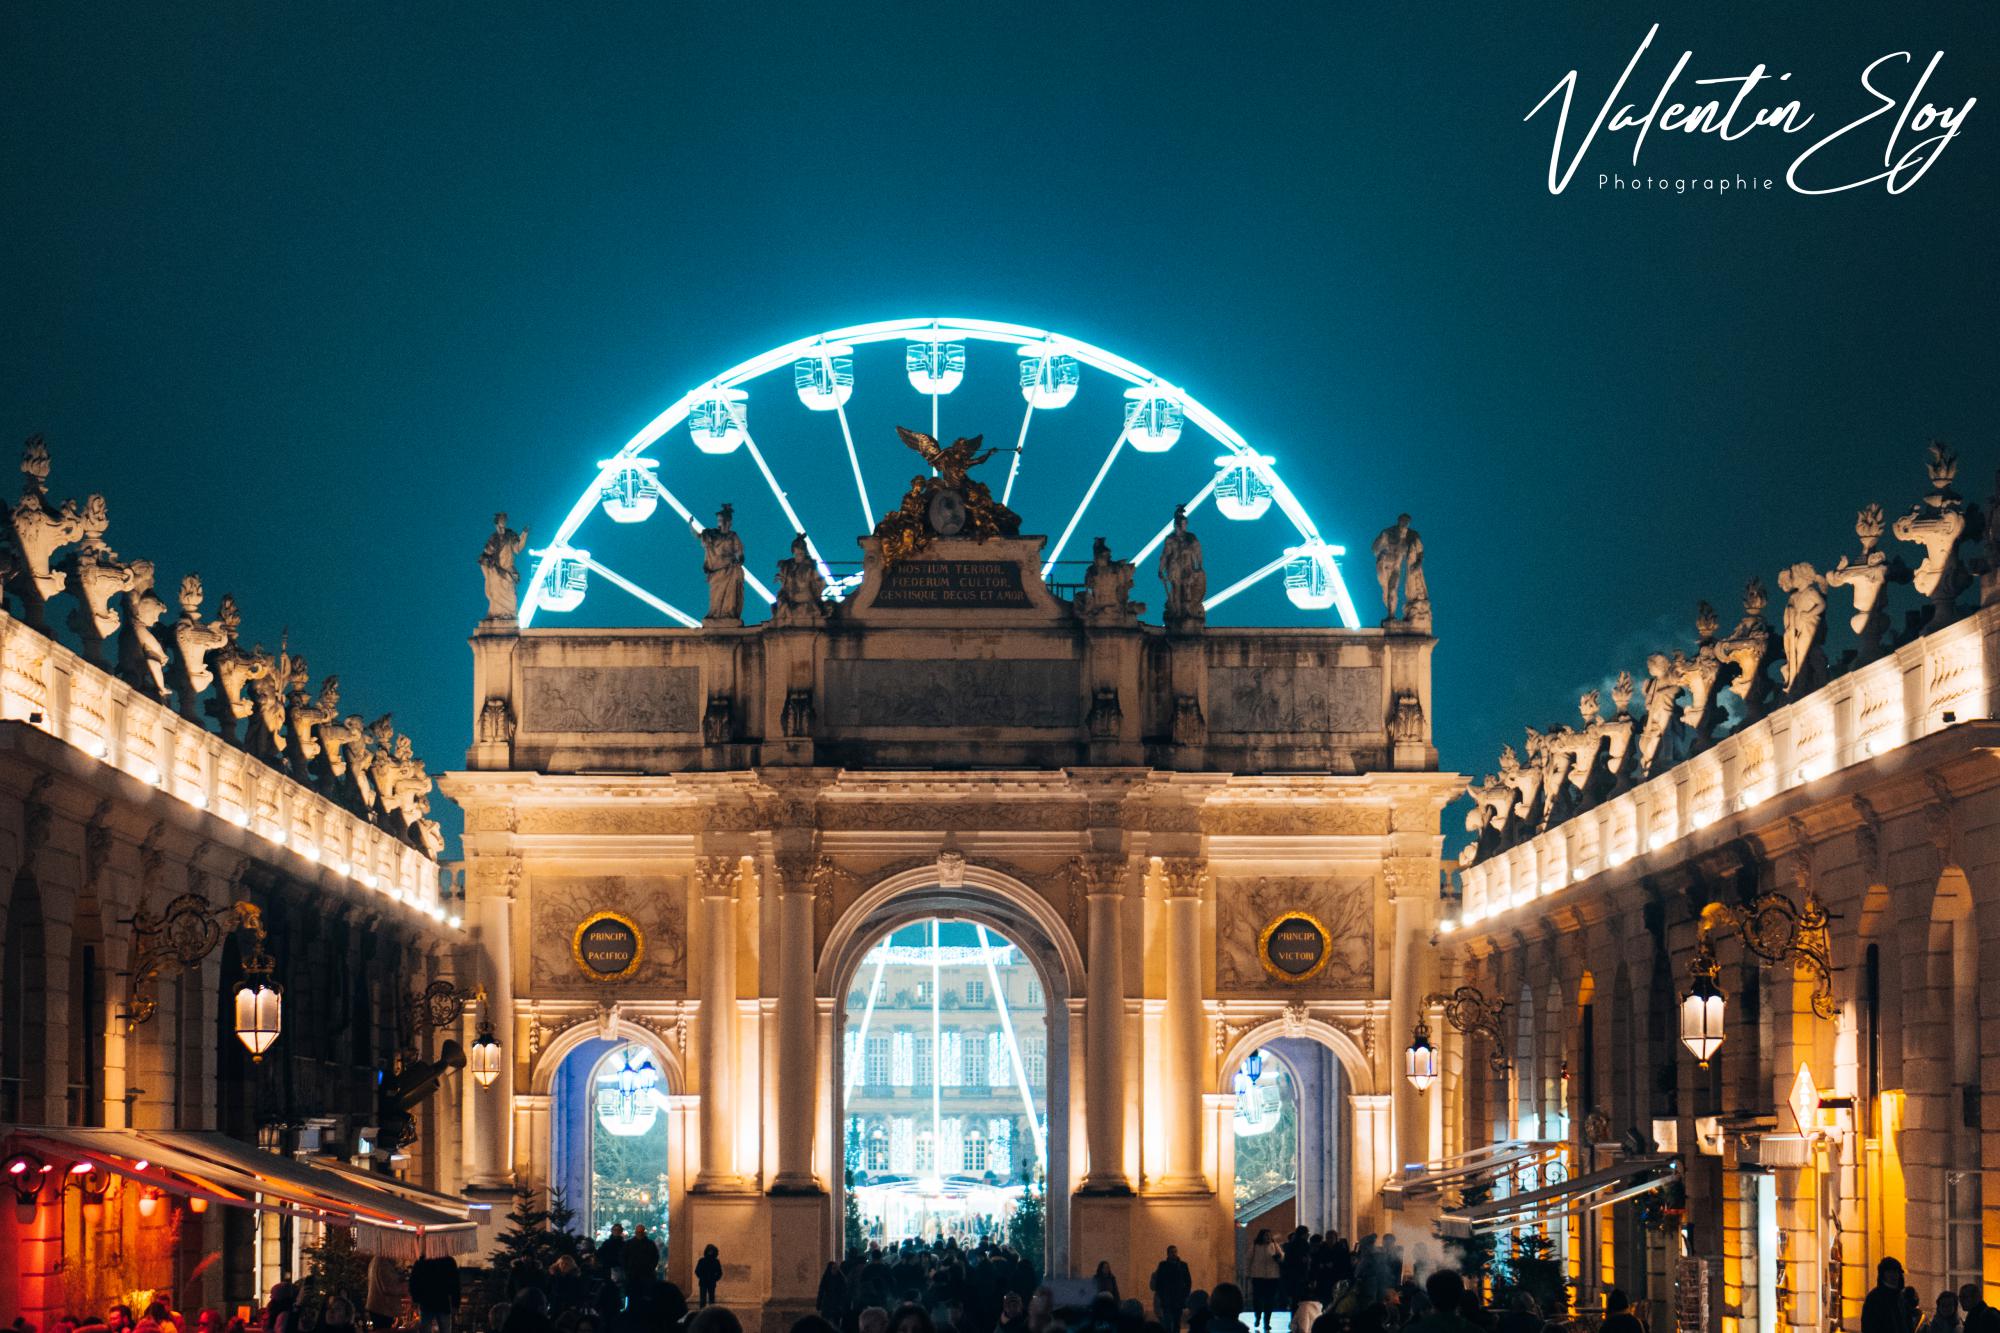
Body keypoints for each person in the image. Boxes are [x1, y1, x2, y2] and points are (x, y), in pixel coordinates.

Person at [410, 1253, 462, 1333]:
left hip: (426, 1302)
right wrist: (456, 1304)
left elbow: (414, 1282)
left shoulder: (422, 1261)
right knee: (445, 1329)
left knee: (425, 1328)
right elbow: (455, 1284)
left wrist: (415, 1299)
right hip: (443, 1302)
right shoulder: (449, 1261)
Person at [1247, 1231, 1282, 1333]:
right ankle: (1258, 1316)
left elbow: (1282, 1256)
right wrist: (1248, 1273)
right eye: (1265, 1235)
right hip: (1258, 1276)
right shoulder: (1255, 1246)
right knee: (1257, 1299)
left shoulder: (1274, 1245)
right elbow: (1248, 1259)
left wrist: (1278, 1256)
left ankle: (1267, 1322)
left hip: (1272, 1277)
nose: (1267, 1237)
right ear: (1261, 1236)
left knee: (1269, 1300)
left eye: (1269, 1236)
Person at [1151, 1247, 1193, 1332]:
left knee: (1176, 1322)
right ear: (1168, 1253)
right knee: (1168, 1322)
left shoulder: (1182, 1265)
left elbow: (1188, 1281)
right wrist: (1162, 1295)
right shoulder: (1163, 1265)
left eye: (1175, 1252)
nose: (1174, 1254)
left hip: (1177, 1298)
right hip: (1167, 1298)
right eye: (1172, 1252)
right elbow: (1159, 1282)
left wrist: (1185, 1295)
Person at [1866, 1263, 1912, 1333]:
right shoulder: (1875, 1298)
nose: (1895, 1276)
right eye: (1891, 1272)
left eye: (1896, 1272)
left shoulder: (1902, 1296)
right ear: (1883, 1275)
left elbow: (1907, 1321)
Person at [367, 1255, 407, 1332]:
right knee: (383, 1329)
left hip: (378, 1306)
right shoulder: (383, 1263)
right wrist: (404, 1289)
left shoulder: (377, 1260)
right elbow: (388, 1287)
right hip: (383, 1308)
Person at [626, 1225, 662, 1290]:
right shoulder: (650, 1243)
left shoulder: (629, 1243)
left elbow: (655, 1257)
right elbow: (655, 1257)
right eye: (638, 1232)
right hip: (637, 1274)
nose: (640, 1234)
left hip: (643, 1274)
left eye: (641, 1232)